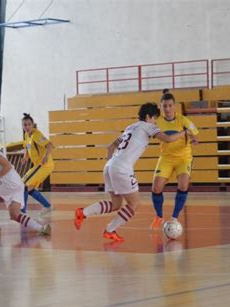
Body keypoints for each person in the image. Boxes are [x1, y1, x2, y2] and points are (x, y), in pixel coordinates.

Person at [73, 102, 191, 241]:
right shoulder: (148, 127)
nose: (155, 122)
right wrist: (185, 132)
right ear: (148, 116)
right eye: (154, 118)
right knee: (134, 204)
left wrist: (113, 165)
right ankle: (110, 229)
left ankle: (84, 213)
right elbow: (168, 139)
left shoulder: (130, 127)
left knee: (116, 204)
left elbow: (110, 147)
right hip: (122, 168)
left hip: (109, 166)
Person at [0, 130, 51, 235]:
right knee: (15, 215)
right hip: (17, 185)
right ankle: (41, 228)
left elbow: (7, 166)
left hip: (8, 182)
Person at [150, 89, 199, 230]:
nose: (167, 109)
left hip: (183, 158)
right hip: (166, 158)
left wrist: (194, 139)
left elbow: (195, 135)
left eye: (170, 105)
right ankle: (159, 216)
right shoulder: (156, 122)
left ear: (174, 106)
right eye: (164, 106)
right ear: (161, 107)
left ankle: (174, 217)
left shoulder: (183, 120)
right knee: (156, 187)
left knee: (183, 185)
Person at [20, 113, 54, 216]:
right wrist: (25, 158)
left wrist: (45, 157)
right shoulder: (26, 135)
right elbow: (27, 147)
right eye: (25, 125)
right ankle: (47, 206)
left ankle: (22, 212)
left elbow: (50, 145)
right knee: (28, 188)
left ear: (33, 124)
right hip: (37, 166)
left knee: (23, 186)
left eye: (29, 124)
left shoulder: (36, 134)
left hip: (44, 165)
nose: (27, 127)